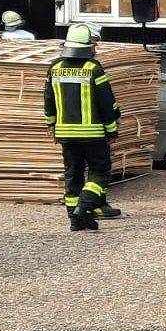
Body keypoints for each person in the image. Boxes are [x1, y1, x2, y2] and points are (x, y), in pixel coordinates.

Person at [44, 25, 120, 232]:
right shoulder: (94, 69)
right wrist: (112, 128)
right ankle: (83, 208)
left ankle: (74, 218)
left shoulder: (55, 68)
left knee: (73, 173)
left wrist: (51, 125)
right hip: (93, 133)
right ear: (88, 46)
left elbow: (48, 100)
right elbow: (106, 103)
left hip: (65, 134)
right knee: (99, 172)